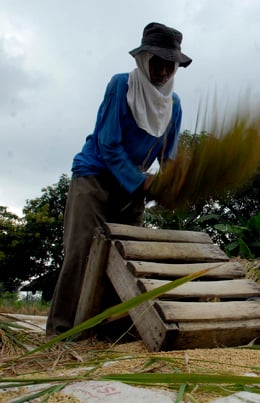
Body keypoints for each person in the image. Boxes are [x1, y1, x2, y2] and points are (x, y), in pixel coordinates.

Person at [46, 22, 192, 336]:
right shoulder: (121, 86)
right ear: (143, 59)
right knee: (82, 252)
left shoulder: (174, 105)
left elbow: (168, 156)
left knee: (127, 257)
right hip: (95, 177)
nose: (164, 71)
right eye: (159, 62)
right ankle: (63, 333)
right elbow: (108, 144)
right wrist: (142, 183)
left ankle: (110, 333)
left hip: (133, 186)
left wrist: (175, 184)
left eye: (171, 65)